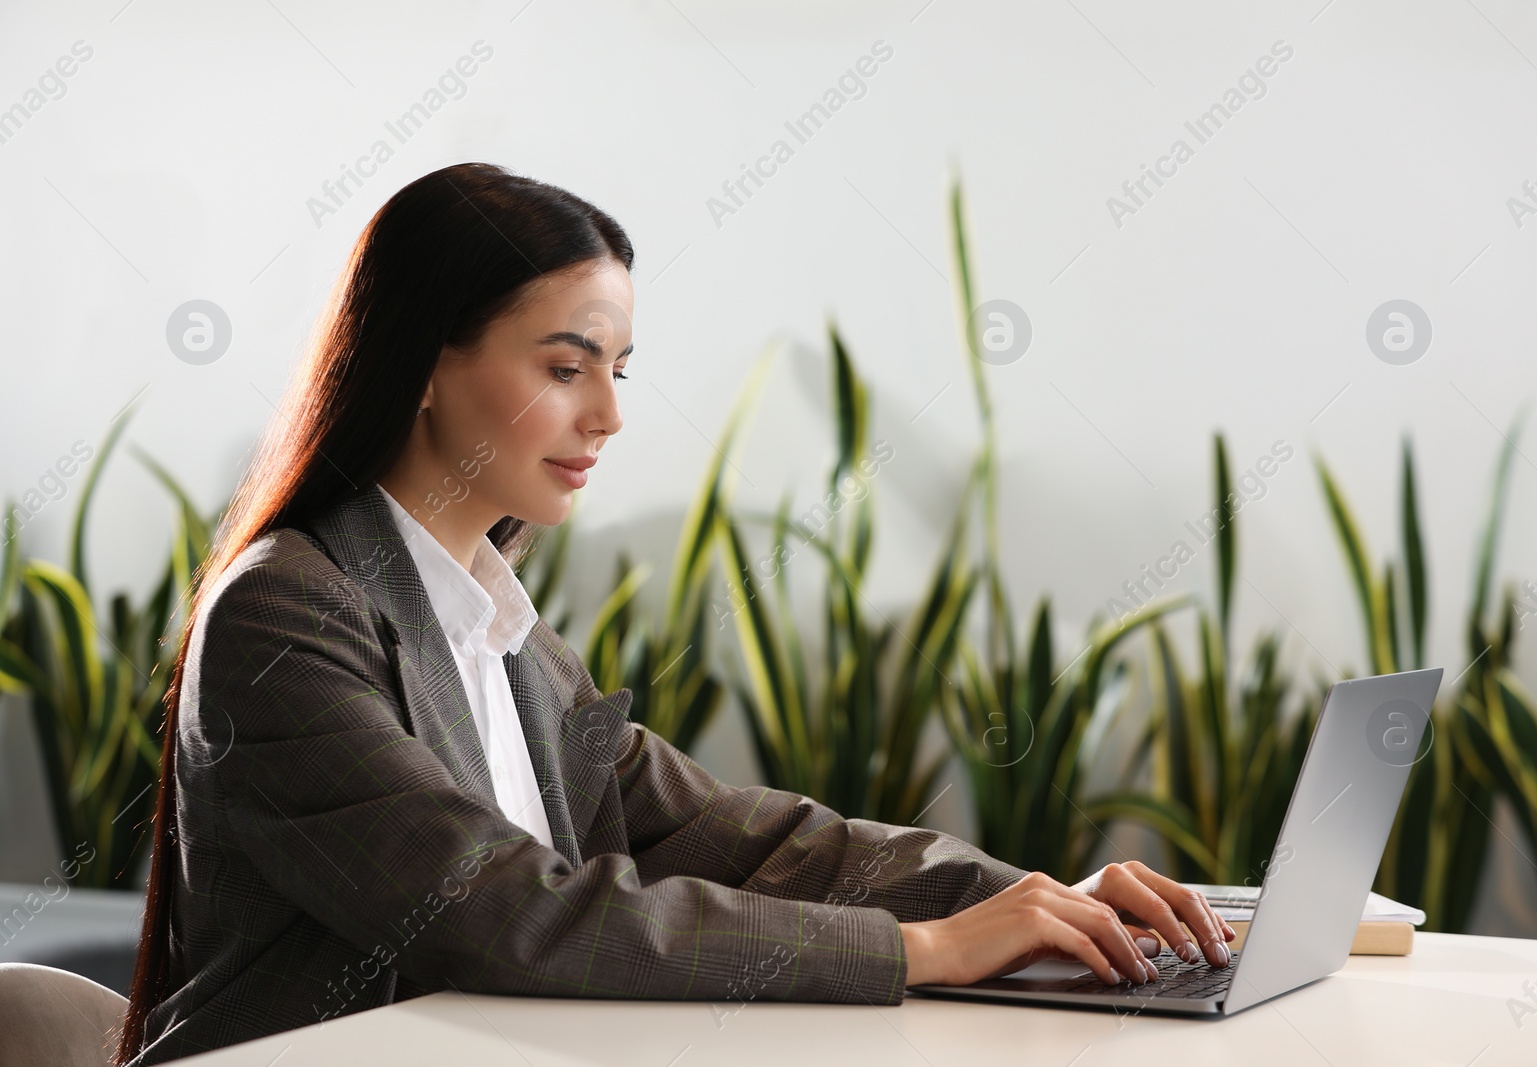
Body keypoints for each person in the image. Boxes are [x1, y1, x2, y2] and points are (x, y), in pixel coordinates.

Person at [114, 162, 1234, 1065]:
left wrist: (1035, 903)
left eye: (619, 369)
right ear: (422, 364)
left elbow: (749, 839)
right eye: (566, 366)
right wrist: (923, 948)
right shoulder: (287, 612)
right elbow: (504, 909)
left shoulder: (500, 632)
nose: (605, 414)